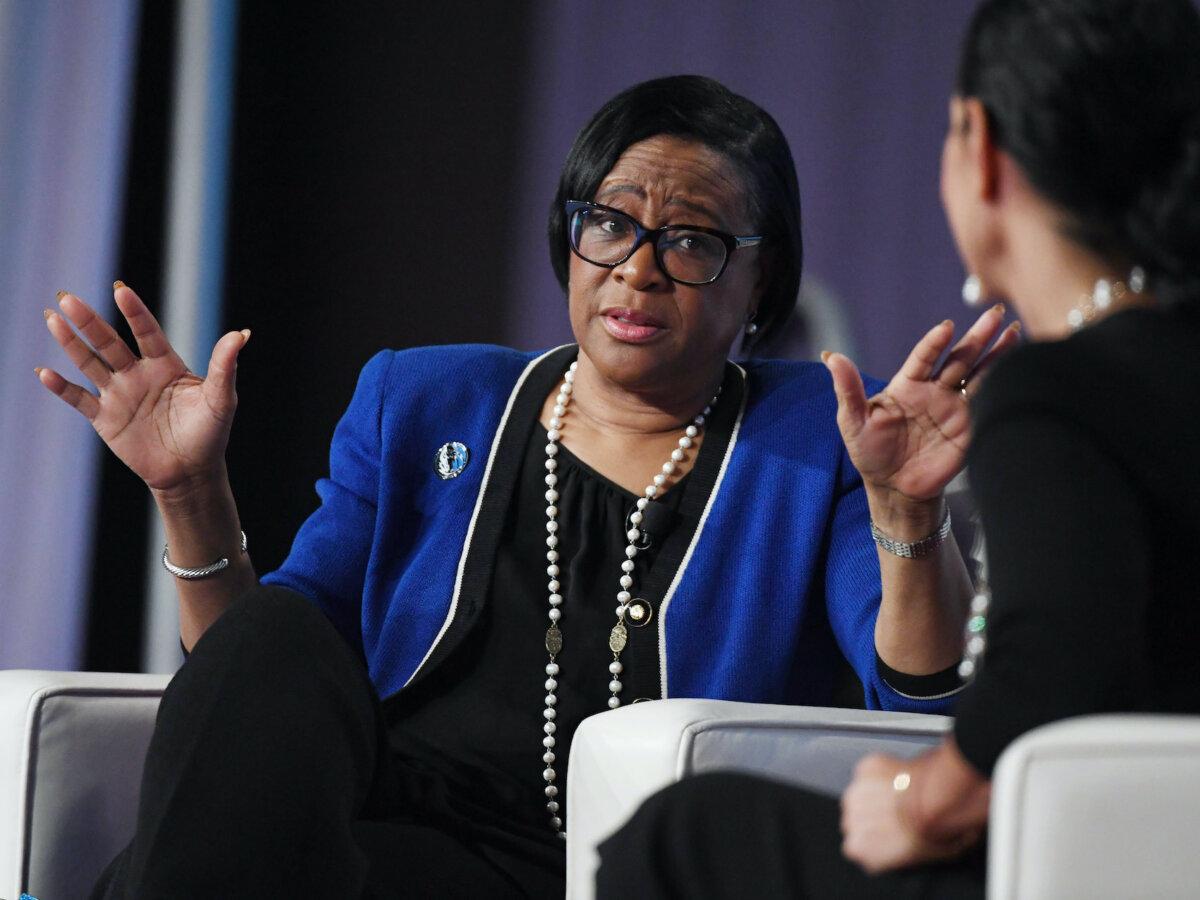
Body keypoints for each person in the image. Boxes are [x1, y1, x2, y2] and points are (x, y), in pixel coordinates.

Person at [37, 76, 1008, 898]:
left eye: (692, 240)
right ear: (570, 234)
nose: (638, 268)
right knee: (281, 634)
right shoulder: (423, 400)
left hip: (631, 870)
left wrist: (906, 512)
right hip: (390, 848)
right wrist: (190, 488)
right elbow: (256, 686)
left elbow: (918, 704)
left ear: (760, 282)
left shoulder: (819, 438)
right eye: (611, 223)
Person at [594, 1, 1200, 897]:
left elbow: (1057, 667)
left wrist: (922, 799)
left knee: (683, 836)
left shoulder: (1061, 394)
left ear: (979, 147)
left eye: (690, 242)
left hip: (1105, 865)